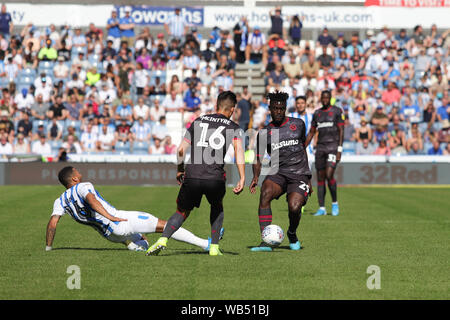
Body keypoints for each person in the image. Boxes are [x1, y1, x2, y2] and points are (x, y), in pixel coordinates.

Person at [146, 91, 245, 256]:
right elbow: (239, 151)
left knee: (182, 211)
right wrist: (242, 177)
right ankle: (214, 247)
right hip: (214, 177)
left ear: (216, 106)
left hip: (192, 174)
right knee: (217, 207)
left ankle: (163, 240)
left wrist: (180, 170)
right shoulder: (232, 127)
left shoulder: (198, 121)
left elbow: (180, 150)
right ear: (232, 110)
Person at [45, 167, 214, 253]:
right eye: (77, 171)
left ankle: (134, 244)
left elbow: (52, 224)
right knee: (167, 225)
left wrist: (49, 248)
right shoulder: (82, 186)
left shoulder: (59, 201)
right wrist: (111, 216)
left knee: (143, 240)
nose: (80, 173)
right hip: (118, 221)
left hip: (109, 235)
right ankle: (206, 244)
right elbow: (92, 200)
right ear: (74, 178)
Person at [249, 91, 312, 252]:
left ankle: (292, 233)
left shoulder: (298, 124)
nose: (278, 111)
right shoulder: (264, 133)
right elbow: (257, 158)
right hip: (278, 172)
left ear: (285, 109)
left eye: (281, 108)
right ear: (269, 108)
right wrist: (255, 177)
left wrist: (308, 177)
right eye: (275, 108)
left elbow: (302, 149)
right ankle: (265, 242)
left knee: (294, 206)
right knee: (265, 193)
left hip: (299, 173)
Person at [305, 90, 344, 216]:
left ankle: (334, 203)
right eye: (323, 98)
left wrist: (339, 149)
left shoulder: (337, 111)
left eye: (327, 98)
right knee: (320, 178)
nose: (325, 100)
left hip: (332, 147)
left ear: (330, 98)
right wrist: (303, 146)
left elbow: (341, 130)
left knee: (329, 174)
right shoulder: (317, 113)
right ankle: (322, 208)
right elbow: (312, 131)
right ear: (321, 99)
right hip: (320, 148)